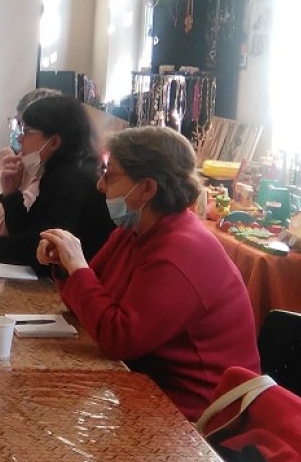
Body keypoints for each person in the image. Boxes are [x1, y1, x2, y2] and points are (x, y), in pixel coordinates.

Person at [36, 126, 260, 420]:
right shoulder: (135, 230)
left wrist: (79, 267)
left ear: (146, 188)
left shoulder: (181, 251)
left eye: (110, 175)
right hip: (147, 382)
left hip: (198, 412)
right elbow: (89, 308)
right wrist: (66, 267)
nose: (100, 185)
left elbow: (119, 339)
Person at [0, 95, 114, 276]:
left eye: (27, 131)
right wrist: (11, 195)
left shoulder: (71, 176)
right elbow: (27, 231)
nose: (20, 138)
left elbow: (37, 247)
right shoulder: (58, 170)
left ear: (54, 141)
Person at [0, 87, 59, 234]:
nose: (17, 135)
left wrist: (1, 166)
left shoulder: (46, 174)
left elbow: (1, 228)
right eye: (15, 124)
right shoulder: (27, 164)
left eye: (24, 129)